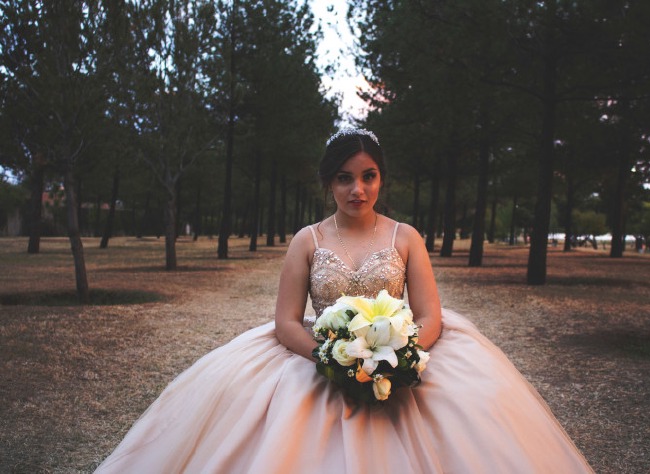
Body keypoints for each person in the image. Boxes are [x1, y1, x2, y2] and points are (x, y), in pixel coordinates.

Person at [96, 129, 593, 473]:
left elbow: (429, 314)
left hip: (400, 355)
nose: (358, 188)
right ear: (328, 181)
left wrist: (399, 357)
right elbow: (287, 321)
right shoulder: (306, 241)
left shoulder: (406, 237)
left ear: (382, 178)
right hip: (316, 358)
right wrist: (332, 359)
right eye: (344, 177)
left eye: (369, 175)